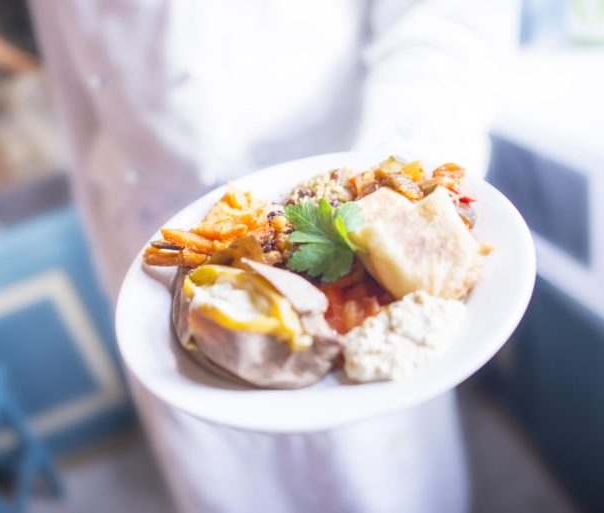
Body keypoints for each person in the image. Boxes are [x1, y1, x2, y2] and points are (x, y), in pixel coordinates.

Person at [30, 1, 521, 512]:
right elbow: (76, 98)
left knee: (378, 482)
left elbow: (442, 17)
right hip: (150, 246)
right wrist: (117, 273)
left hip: (346, 195)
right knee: (229, 485)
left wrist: (402, 205)